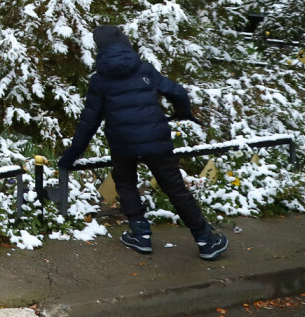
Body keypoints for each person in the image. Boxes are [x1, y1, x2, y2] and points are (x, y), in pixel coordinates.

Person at [56, 24, 229, 260]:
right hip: (155, 139)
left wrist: (73, 154)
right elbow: (177, 92)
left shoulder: (100, 80)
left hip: (122, 142)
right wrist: (182, 113)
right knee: (175, 188)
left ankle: (141, 234)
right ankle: (205, 239)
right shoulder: (144, 69)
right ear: (124, 43)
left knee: (125, 182)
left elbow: (89, 121)